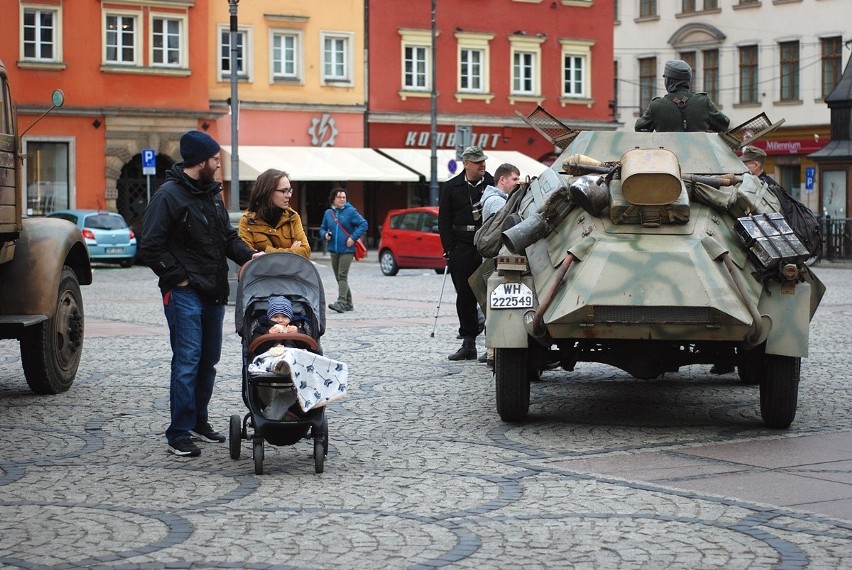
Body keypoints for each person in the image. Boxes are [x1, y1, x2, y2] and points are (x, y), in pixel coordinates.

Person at [142, 130, 264, 457]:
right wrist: (178, 278)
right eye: (214, 159)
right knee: (187, 360)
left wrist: (249, 255)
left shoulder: (211, 194)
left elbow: (226, 237)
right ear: (200, 161)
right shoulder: (168, 195)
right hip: (184, 293)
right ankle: (178, 432)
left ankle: (198, 420)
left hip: (213, 291)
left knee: (208, 361)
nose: (218, 164)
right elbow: (150, 246)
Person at [439, 145, 495, 361]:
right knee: (465, 295)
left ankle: (493, 345)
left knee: (491, 294)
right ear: (466, 164)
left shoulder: (491, 182)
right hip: (461, 247)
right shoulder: (451, 186)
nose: (482, 165)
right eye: (478, 161)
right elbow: (443, 220)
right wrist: (449, 249)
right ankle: (469, 343)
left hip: (487, 244)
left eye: (483, 161)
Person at [477, 163, 521, 367]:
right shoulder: (497, 202)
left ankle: (492, 352)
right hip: (495, 259)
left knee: (493, 304)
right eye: (514, 179)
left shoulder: (498, 199)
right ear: (502, 179)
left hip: (493, 259)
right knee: (496, 304)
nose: (517, 182)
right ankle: (493, 353)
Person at [635, 59, 730, 133]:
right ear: (688, 81)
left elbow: (639, 127)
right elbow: (724, 123)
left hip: (668, 157)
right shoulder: (703, 101)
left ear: (668, 81)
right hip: (700, 156)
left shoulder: (656, 106)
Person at [239, 169, 311, 259]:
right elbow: (250, 257)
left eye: (289, 190)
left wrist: (267, 251)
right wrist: (292, 252)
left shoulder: (292, 217)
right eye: (283, 191)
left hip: (290, 272)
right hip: (263, 273)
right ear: (267, 192)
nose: (289, 195)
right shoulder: (248, 221)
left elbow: (305, 251)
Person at [319, 187, 368, 313]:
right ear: (333, 199)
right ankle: (349, 303)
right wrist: (325, 235)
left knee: (342, 275)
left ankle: (341, 302)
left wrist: (353, 237)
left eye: (344, 197)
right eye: (339, 197)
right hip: (333, 249)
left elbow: (364, 224)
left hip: (347, 248)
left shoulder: (351, 211)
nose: (342, 200)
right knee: (339, 277)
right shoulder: (328, 213)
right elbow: (323, 228)